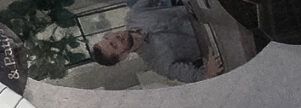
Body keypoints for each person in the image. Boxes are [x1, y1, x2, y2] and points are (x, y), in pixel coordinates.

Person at [92, 0, 223, 83]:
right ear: (122, 56)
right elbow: (200, 77)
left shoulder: (134, 16)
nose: (116, 37)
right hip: (220, 38)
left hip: (207, 6)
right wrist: (210, 72)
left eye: (108, 37)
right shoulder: (158, 64)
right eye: (114, 45)